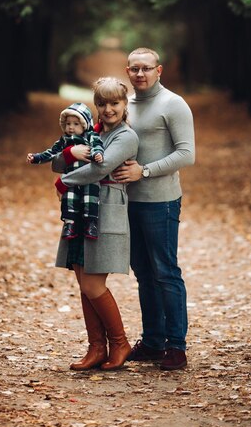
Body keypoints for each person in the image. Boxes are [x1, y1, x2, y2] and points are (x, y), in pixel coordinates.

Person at [112, 47, 195, 371]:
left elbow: (186, 154)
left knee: (165, 272)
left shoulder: (173, 104)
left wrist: (143, 171)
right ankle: (152, 341)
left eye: (146, 68)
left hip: (160, 202)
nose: (140, 74)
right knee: (144, 274)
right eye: (134, 69)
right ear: (128, 71)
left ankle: (176, 347)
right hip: (126, 202)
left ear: (159, 70)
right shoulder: (126, 105)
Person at [52, 77, 139, 371]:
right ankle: (96, 348)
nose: (108, 109)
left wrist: (65, 180)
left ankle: (119, 342)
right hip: (79, 212)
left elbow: (100, 167)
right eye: (102, 103)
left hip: (105, 213)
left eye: (115, 103)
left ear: (125, 104)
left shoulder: (126, 137)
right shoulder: (90, 132)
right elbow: (56, 160)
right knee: (83, 282)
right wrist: (69, 154)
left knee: (93, 283)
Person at [27, 102, 104, 240]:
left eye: (76, 124)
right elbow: (51, 153)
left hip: (89, 177)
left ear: (84, 125)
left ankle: (91, 224)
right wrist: (36, 158)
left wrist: (97, 154)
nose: (71, 127)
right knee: (69, 199)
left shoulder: (91, 136)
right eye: (68, 124)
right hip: (72, 177)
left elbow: (97, 146)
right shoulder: (64, 140)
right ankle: (70, 224)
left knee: (90, 198)